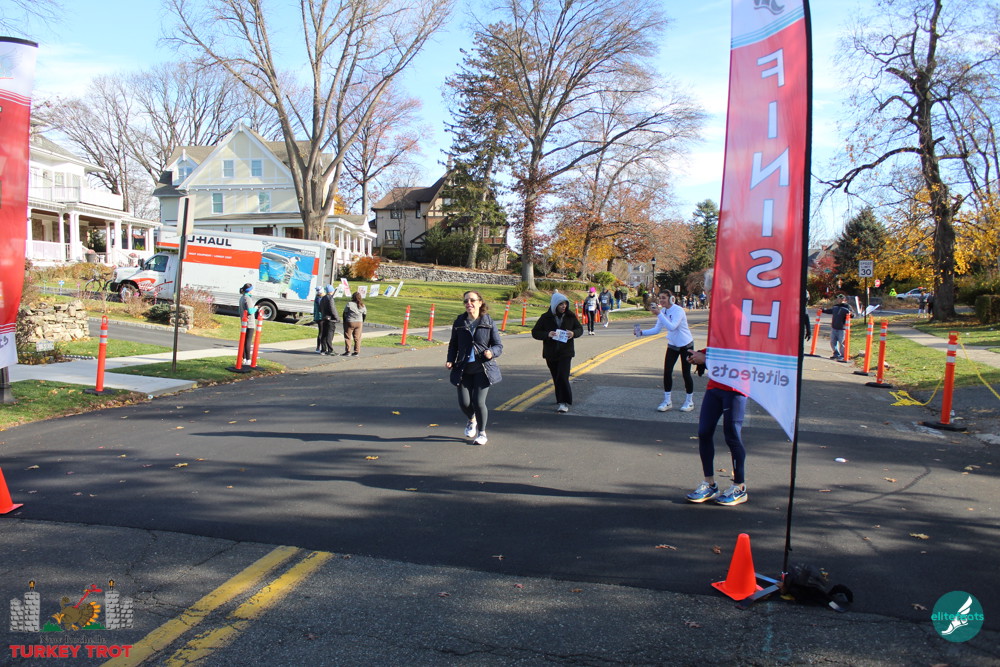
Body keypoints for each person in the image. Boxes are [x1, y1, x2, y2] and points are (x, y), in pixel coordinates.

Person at [684, 349, 749, 506]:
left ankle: (739, 487)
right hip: (715, 386)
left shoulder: (744, 333)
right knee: (704, 432)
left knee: (732, 436)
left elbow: (741, 355)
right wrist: (699, 354)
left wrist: (706, 359)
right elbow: (718, 347)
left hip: (736, 387)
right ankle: (710, 484)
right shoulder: (720, 332)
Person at [446, 290, 503, 445]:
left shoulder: (488, 322)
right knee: (464, 403)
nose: (468, 303)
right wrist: (450, 360)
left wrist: (491, 352)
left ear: (480, 302)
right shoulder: (459, 322)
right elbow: (453, 344)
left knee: (478, 402)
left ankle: (482, 433)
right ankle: (472, 420)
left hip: (483, 369)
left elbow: (498, 345)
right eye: (466, 301)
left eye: (472, 300)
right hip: (463, 368)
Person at [635, 290, 695, 412]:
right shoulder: (663, 312)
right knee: (667, 372)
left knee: (686, 373)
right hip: (673, 345)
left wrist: (659, 314)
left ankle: (689, 401)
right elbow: (657, 330)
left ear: (671, 299)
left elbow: (672, 327)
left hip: (686, 344)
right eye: (660, 298)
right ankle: (667, 401)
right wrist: (641, 333)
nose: (661, 300)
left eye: (664, 298)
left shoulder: (678, 310)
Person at [531, 292, 584, 413]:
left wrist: (573, 333)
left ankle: (564, 402)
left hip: (566, 352)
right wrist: (547, 334)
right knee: (556, 377)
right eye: (561, 304)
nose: (564, 306)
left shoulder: (570, 316)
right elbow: (535, 332)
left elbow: (580, 329)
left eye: (565, 304)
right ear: (555, 305)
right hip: (551, 353)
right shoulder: (545, 317)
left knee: (562, 376)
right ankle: (559, 398)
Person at [821, 294, 853, 361]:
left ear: (843, 299)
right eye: (837, 298)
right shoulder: (835, 306)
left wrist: (850, 314)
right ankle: (836, 354)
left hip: (842, 328)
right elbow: (830, 311)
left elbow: (852, 314)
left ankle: (843, 355)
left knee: (842, 343)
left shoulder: (847, 307)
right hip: (834, 327)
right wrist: (823, 310)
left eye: (839, 298)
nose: (838, 300)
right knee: (833, 341)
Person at [342, 291, 367, 356]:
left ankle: (348, 351)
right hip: (359, 322)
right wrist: (362, 321)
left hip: (350, 321)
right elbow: (364, 314)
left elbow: (344, 313)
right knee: (357, 338)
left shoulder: (349, 304)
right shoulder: (362, 305)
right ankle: (356, 351)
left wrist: (344, 321)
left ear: (352, 297)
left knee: (348, 337)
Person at [238, 283, 257, 363]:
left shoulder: (242, 298)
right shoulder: (248, 298)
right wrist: (255, 308)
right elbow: (250, 311)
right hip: (249, 323)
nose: (253, 291)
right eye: (252, 289)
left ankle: (244, 358)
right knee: (248, 342)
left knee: (244, 341)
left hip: (244, 322)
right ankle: (248, 359)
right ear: (249, 290)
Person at [318, 284, 339, 355]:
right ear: (331, 291)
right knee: (330, 334)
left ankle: (323, 349)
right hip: (330, 319)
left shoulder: (323, 298)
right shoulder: (330, 298)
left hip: (324, 318)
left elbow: (320, 308)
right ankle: (330, 350)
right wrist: (336, 317)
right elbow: (332, 309)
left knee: (324, 334)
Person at [313, 286, 326, 353]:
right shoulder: (319, 299)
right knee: (321, 333)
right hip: (320, 317)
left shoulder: (317, 297)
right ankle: (318, 347)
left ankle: (319, 347)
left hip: (318, 317)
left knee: (321, 332)